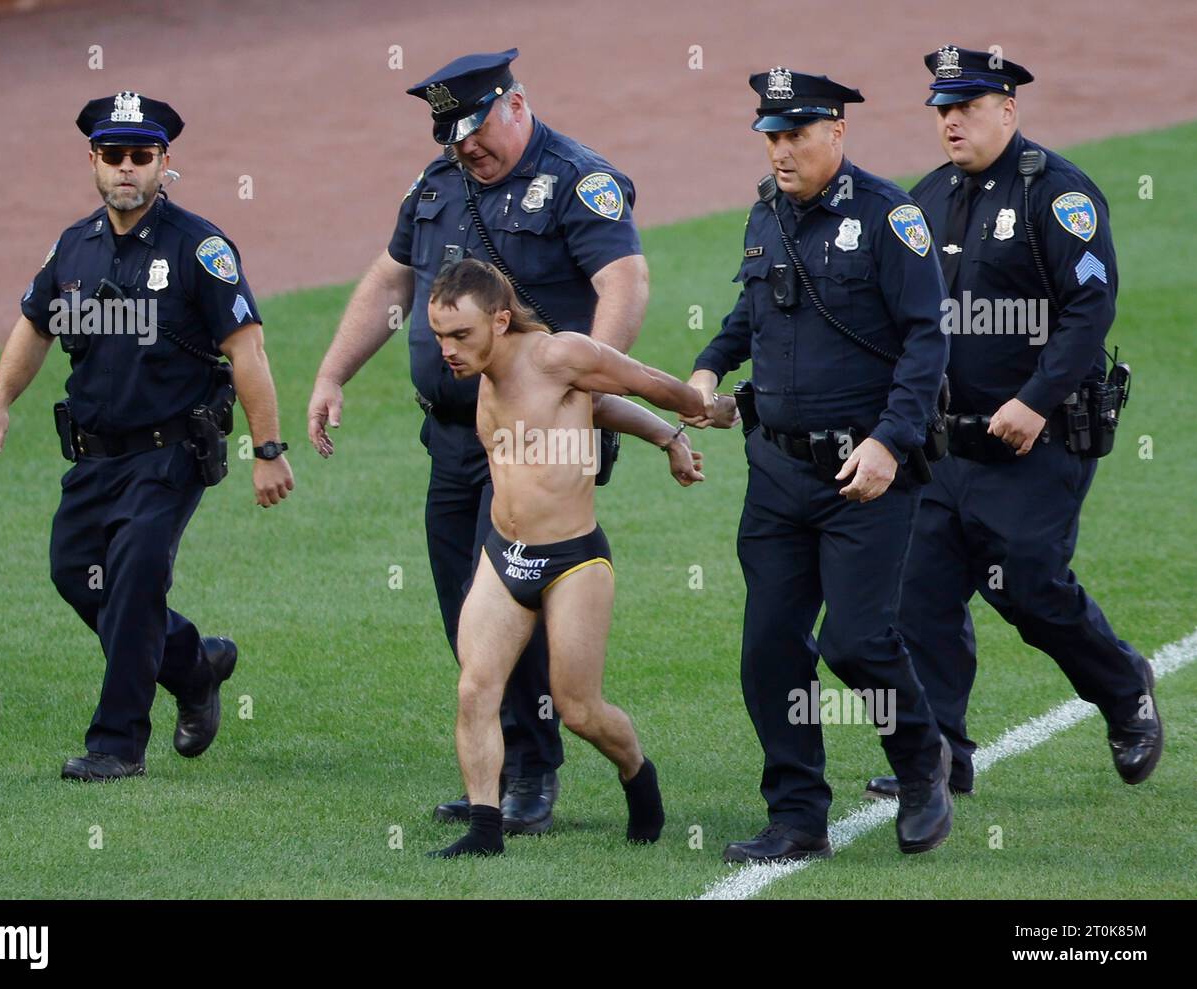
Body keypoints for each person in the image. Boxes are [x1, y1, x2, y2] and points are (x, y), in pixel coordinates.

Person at [307, 49, 650, 834]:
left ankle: (531, 772)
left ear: (517, 104)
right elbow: (393, 276)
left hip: (539, 446)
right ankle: (492, 768)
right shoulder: (438, 183)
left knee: (514, 593)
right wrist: (333, 372)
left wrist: (588, 391)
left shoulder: (576, 180)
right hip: (455, 440)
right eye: (452, 134)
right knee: (464, 605)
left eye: (477, 128)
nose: (466, 146)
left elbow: (622, 282)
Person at [863, 47, 1161, 801]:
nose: (951, 122)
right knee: (918, 596)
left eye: (966, 107)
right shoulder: (925, 199)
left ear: (1008, 109)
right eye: (942, 110)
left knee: (1027, 584)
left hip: (1041, 437)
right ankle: (939, 757)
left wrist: (1032, 399)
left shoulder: (1057, 195)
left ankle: (1124, 689)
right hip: (943, 445)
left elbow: (1090, 308)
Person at [0, 93, 293, 781]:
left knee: (136, 577)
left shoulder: (198, 247)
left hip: (168, 452)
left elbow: (247, 349)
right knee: (74, 573)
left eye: (141, 156)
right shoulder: (73, 246)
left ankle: (117, 744)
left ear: (164, 163)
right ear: (92, 161)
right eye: (112, 155)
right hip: (93, 453)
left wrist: (268, 450)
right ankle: (193, 665)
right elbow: (35, 326)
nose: (126, 168)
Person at [685, 68, 955, 862]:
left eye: (795, 134)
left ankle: (919, 764)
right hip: (775, 473)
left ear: (837, 131)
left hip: (864, 477)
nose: (779, 150)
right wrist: (708, 368)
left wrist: (889, 440)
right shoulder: (766, 212)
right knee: (770, 646)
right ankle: (798, 815)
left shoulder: (887, 216)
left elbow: (926, 341)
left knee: (856, 641)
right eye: (770, 136)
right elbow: (750, 311)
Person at [424, 259, 704, 857]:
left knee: (579, 709)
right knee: (476, 689)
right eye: (439, 336)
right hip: (503, 554)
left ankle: (637, 775)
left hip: (573, 561)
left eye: (460, 336)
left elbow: (632, 382)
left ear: (500, 320)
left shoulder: (558, 355)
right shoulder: (484, 373)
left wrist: (686, 417)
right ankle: (484, 830)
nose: (447, 350)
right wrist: (665, 435)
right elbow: (583, 410)